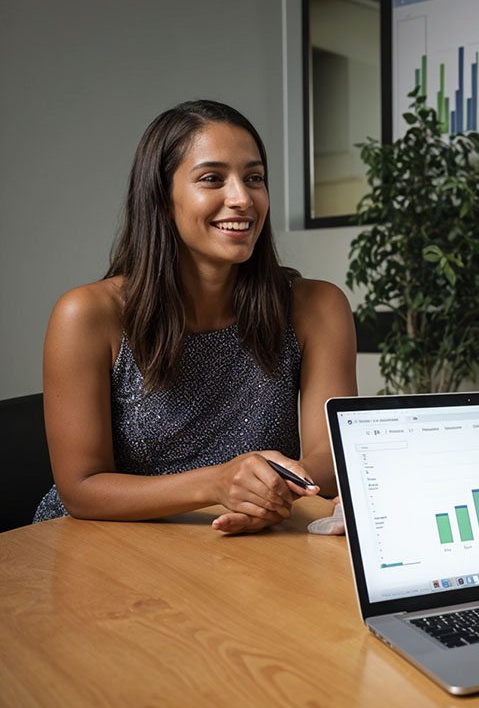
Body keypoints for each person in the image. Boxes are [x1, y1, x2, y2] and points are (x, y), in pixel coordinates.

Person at [35, 100, 357, 535]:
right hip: (103, 542)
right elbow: (81, 488)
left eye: (254, 178)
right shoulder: (87, 315)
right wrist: (217, 483)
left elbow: (329, 458)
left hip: (249, 541)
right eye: (212, 179)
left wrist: (274, 487)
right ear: (162, 199)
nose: (242, 198)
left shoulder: (317, 306)